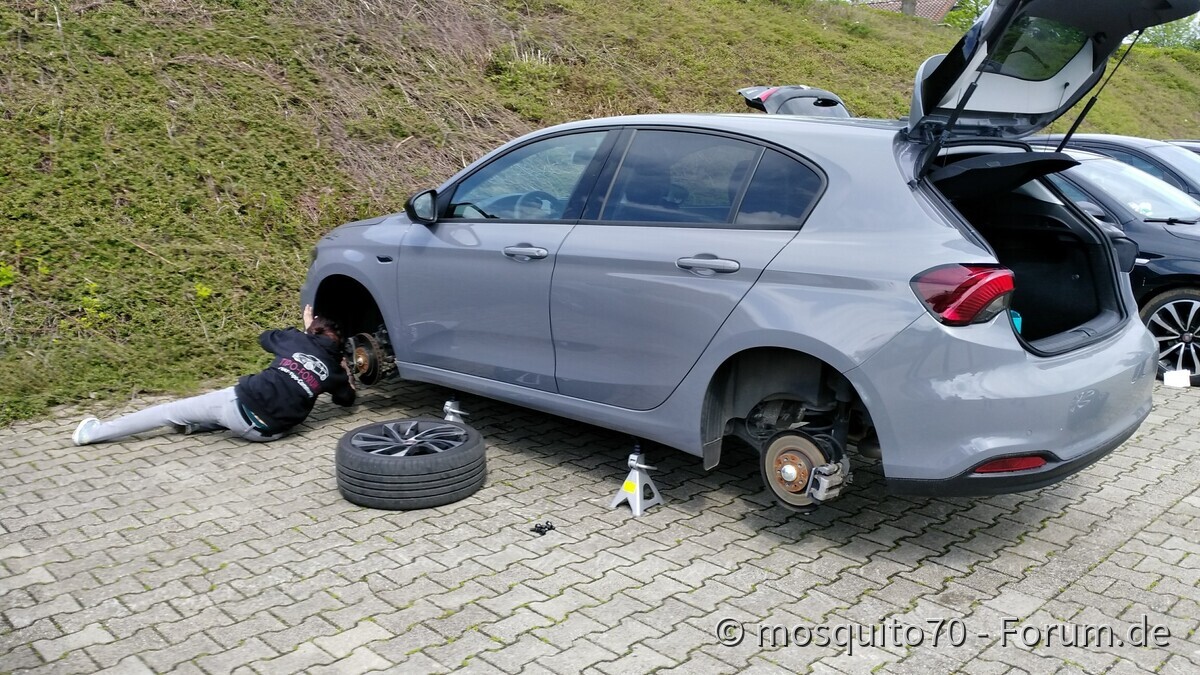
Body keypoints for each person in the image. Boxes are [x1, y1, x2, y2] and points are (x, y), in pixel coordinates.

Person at [73, 305, 356, 445]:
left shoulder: (296, 341)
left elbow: (265, 337)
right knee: (250, 409)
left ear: (314, 330)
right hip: (270, 433)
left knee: (168, 411)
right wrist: (344, 372)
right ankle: (197, 426)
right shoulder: (333, 371)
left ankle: (92, 434)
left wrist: (302, 330)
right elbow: (345, 401)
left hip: (238, 409)